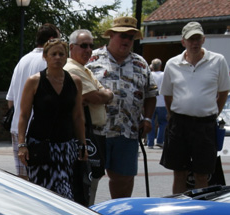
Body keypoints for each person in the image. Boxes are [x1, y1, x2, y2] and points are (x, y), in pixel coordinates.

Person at [87, 16, 157, 199]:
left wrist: (148, 119)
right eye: (122, 35)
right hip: (96, 132)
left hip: (127, 131)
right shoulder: (92, 59)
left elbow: (151, 94)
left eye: (131, 37)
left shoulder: (141, 64)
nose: (126, 40)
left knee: (123, 180)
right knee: (89, 178)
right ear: (111, 35)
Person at [160, 22, 230, 194]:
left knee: (202, 174)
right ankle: (178, 208)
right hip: (179, 123)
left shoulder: (218, 61)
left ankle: (200, 210)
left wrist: (214, 112)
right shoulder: (172, 64)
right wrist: (172, 114)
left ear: (204, 39)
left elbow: (223, 92)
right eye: (191, 39)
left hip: (205, 124)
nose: (195, 43)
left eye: (198, 38)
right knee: (179, 173)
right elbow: (168, 95)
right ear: (183, 42)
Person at [16, 38, 87, 200]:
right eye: (53, 54)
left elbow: (77, 115)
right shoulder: (34, 81)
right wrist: (22, 144)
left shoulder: (75, 81)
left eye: (61, 54)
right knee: (41, 195)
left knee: (65, 194)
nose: (57, 57)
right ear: (45, 57)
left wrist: (82, 143)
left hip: (65, 146)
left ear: (66, 57)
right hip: (40, 146)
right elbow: (24, 115)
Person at [65, 29, 112, 205]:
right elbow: (96, 96)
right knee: (86, 184)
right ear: (72, 47)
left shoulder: (84, 70)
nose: (88, 50)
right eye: (83, 45)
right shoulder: (71, 69)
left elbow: (102, 93)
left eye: (91, 46)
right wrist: (105, 95)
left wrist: (104, 94)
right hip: (85, 134)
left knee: (92, 181)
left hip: (96, 132)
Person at [6, 24, 60, 177]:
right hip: (40, 133)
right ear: (51, 39)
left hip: (18, 129)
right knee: (43, 182)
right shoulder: (51, 63)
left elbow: (10, 100)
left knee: (24, 181)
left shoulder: (22, 61)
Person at [147, 59, 166, 148]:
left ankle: (150, 142)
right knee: (163, 122)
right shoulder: (164, 75)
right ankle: (160, 141)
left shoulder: (149, 75)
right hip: (162, 102)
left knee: (150, 121)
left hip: (152, 102)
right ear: (160, 66)